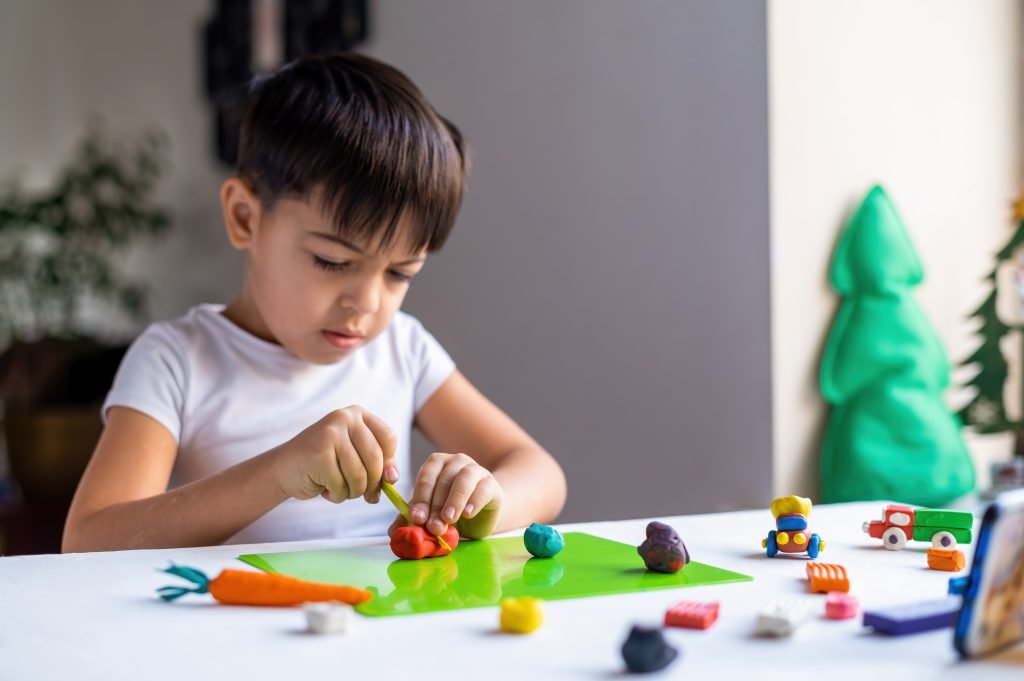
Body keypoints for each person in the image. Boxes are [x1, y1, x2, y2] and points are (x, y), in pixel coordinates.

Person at [62, 53, 566, 552]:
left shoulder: (402, 348)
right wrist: (278, 474)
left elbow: (541, 473)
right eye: (331, 261)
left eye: (399, 273)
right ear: (244, 218)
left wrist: (488, 498)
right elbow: (88, 540)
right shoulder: (177, 360)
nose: (366, 303)